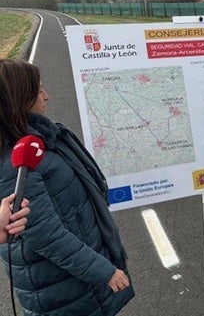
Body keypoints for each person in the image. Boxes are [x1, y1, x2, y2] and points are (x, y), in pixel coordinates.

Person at [0, 59, 134, 315]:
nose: (46, 96)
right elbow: (46, 236)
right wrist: (104, 270)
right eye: (38, 91)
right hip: (61, 289)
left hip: (73, 282)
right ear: (20, 100)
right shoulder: (14, 164)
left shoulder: (37, 141)